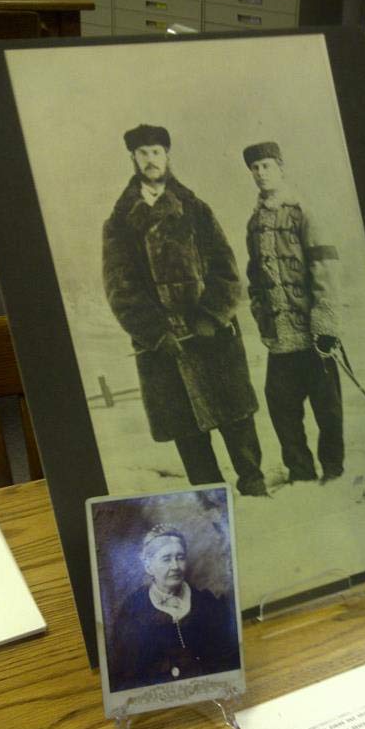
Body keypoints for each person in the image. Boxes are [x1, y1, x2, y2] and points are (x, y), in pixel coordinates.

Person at [103, 124, 267, 496]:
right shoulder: (119, 222)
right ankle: (211, 497)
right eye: (143, 153)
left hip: (211, 332)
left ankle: (254, 485)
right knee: (186, 427)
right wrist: (156, 332)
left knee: (236, 416)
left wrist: (210, 316)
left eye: (156, 152)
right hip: (163, 343)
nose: (150, 160)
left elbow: (226, 269)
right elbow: (119, 287)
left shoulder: (194, 209)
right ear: (133, 159)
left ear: (167, 156)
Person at [242, 141, 344, 484]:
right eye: (255, 168)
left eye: (267, 166)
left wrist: (325, 324)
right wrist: (261, 315)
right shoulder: (254, 224)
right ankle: (300, 474)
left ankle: (333, 470)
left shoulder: (303, 212)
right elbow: (254, 278)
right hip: (280, 338)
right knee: (282, 409)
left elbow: (325, 266)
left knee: (328, 410)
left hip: (313, 333)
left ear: (281, 167)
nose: (261, 173)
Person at [107, 524, 240, 692]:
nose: (175, 566)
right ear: (149, 566)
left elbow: (228, 661)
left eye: (180, 557)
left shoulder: (207, 604)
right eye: (166, 559)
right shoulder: (133, 612)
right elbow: (126, 676)